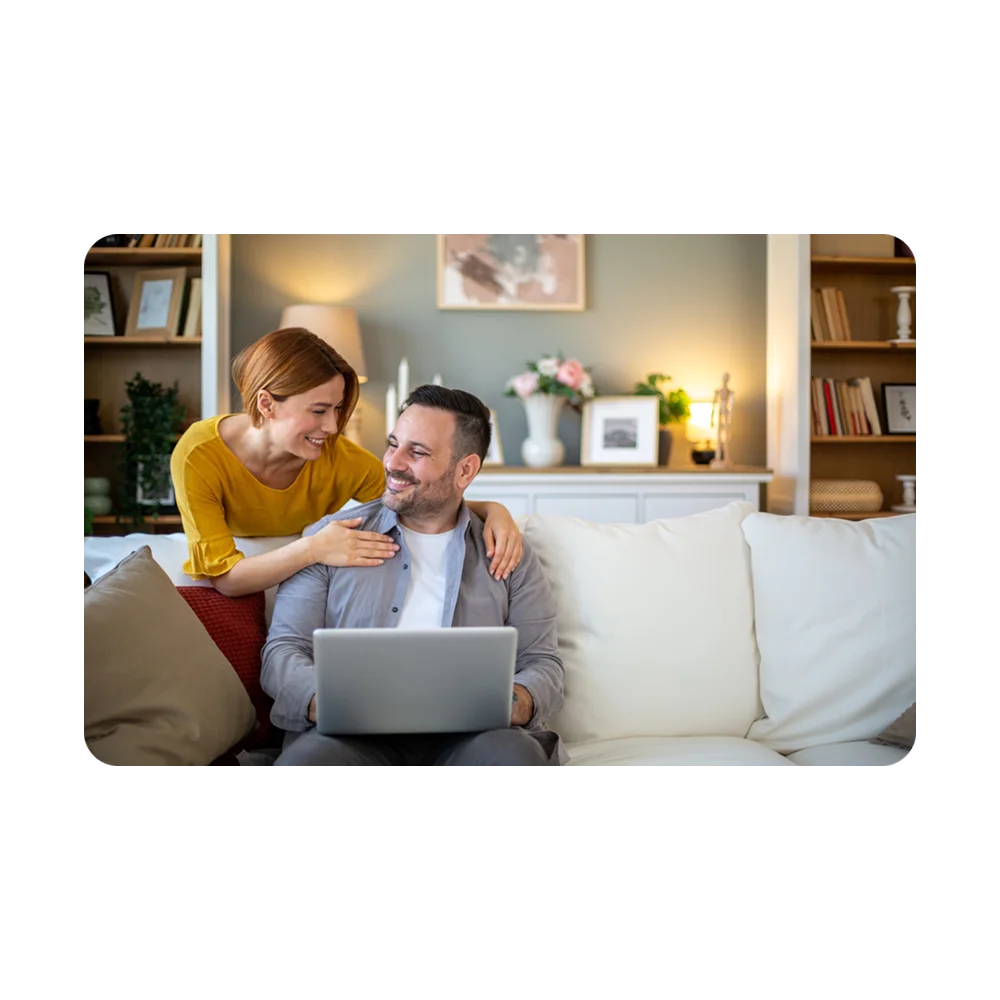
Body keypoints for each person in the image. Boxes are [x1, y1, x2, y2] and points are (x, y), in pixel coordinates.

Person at [261, 384, 565, 768]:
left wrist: (515, 702)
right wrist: (328, 702)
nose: (393, 462)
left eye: (417, 452)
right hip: (351, 736)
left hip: (474, 738)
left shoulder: (508, 552)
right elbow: (283, 650)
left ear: (465, 469)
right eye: (393, 444)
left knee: (515, 759)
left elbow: (542, 661)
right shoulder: (331, 539)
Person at [170, 327, 525, 598]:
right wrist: (314, 548)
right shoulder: (199, 455)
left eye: (338, 408)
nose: (332, 426)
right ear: (266, 404)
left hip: (304, 581)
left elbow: (419, 500)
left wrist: (492, 510)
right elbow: (226, 579)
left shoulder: (340, 458)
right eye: (319, 411)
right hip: (248, 579)